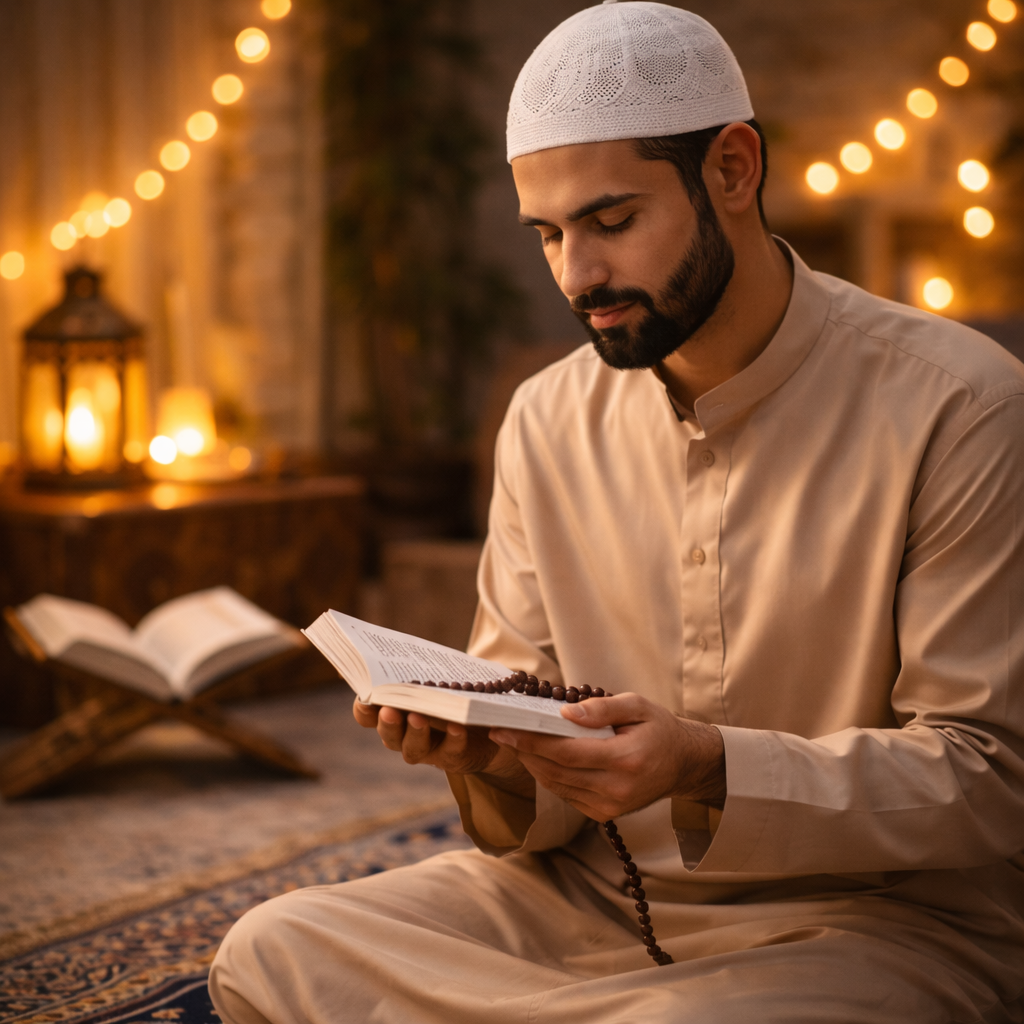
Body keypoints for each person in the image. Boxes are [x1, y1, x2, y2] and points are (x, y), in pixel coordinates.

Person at [210, 4, 1024, 1021]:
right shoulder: (545, 421)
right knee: (271, 948)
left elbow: (989, 778)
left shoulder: (962, 404)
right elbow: (539, 767)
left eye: (609, 221)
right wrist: (493, 756)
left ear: (732, 169)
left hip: (869, 925)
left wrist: (707, 763)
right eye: (547, 234)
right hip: (585, 897)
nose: (575, 276)